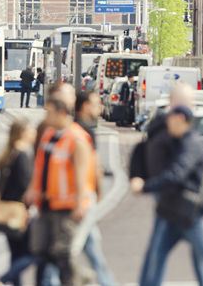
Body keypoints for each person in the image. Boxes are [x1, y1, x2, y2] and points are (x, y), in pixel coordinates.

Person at [131, 106, 203, 286]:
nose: (168, 124)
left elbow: (178, 174)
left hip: (189, 213)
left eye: (171, 120)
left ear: (181, 119)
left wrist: (146, 186)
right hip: (172, 210)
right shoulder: (181, 141)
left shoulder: (192, 143)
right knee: (158, 257)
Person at [130, 82, 203, 285]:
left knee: (163, 247)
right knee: (200, 251)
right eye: (189, 102)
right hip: (171, 191)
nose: (191, 106)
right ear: (177, 102)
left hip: (170, 190)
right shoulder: (171, 125)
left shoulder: (163, 123)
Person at [23, 83, 94, 286]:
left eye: (49, 113)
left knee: (62, 252)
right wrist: (31, 190)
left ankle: (74, 280)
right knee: (40, 248)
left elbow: (82, 174)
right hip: (46, 203)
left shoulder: (77, 139)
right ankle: (79, 276)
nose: (46, 117)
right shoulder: (48, 135)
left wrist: (80, 203)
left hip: (67, 206)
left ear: (61, 113)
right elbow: (40, 167)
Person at [74, 90, 116, 286]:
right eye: (95, 103)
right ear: (84, 106)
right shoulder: (85, 132)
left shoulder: (75, 128)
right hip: (83, 198)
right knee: (66, 251)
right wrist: (97, 194)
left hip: (81, 197)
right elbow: (94, 166)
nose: (100, 107)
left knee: (92, 248)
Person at [0, 119, 36, 286]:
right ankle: (2, 280)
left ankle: (13, 282)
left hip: (6, 209)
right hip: (18, 211)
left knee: (15, 254)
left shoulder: (9, 153)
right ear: (23, 133)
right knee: (35, 254)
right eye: (32, 131)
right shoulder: (23, 155)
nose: (34, 134)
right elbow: (26, 186)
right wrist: (28, 211)